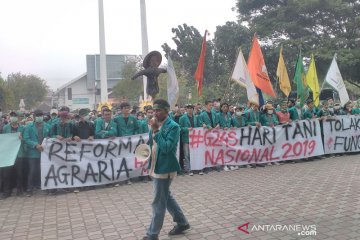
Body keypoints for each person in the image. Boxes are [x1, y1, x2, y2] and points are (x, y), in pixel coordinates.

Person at [142, 99, 190, 240]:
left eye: (159, 111)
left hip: (165, 167)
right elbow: (152, 143)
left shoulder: (174, 126)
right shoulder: (154, 123)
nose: (156, 113)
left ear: (166, 111)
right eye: (154, 110)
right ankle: (182, 223)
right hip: (155, 165)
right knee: (166, 197)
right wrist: (145, 152)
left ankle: (152, 234)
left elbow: (168, 148)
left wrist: (156, 130)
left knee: (158, 201)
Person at [23, 109, 51, 196]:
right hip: (33, 153)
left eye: (41, 115)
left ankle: (44, 186)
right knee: (32, 170)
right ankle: (29, 189)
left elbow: (51, 138)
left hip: (44, 152)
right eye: (38, 116)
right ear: (34, 117)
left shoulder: (47, 126)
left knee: (44, 170)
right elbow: (26, 139)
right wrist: (35, 145)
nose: (39, 117)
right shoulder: (29, 127)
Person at [1, 112, 26, 199]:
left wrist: (22, 139)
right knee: (6, 174)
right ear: (9, 118)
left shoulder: (22, 128)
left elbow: (26, 139)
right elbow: (3, 140)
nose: (13, 118)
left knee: (19, 173)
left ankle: (20, 190)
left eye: (15, 116)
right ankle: (6, 192)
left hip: (19, 154)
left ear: (18, 118)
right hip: (8, 155)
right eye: (12, 116)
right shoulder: (5, 127)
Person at [72, 108, 95, 193]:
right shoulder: (75, 125)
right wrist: (74, 137)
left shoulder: (91, 125)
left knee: (89, 166)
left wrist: (92, 137)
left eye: (87, 114)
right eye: (84, 115)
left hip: (89, 149)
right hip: (78, 150)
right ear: (81, 116)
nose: (86, 116)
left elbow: (93, 134)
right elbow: (72, 135)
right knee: (79, 166)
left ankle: (89, 183)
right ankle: (78, 185)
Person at [179, 104, 200, 176]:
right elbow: (180, 128)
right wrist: (186, 129)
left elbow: (198, 127)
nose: (190, 110)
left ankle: (194, 167)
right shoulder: (182, 118)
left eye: (191, 108)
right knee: (186, 155)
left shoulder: (196, 117)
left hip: (194, 138)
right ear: (186, 109)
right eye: (188, 108)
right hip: (186, 139)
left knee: (194, 154)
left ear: (193, 109)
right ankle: (188, 169)